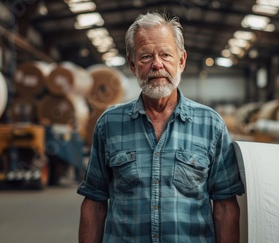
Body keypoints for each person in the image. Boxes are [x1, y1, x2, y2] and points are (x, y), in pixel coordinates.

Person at [77, 12, 244, 243]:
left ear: (181, 61)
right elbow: (94, 203)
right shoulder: (109, 124)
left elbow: (225, 207)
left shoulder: (211, 124)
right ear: (133, 65)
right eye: (146, 56)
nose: (157, 64)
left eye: (165, 54)